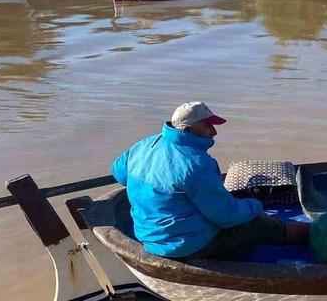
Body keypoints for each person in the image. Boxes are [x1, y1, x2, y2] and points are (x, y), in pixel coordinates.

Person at [111, 101, 307, 259]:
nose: (214, 131)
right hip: (185, 244)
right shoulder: (196, 163)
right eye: (208, 125)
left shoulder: (143, 145)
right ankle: (313, 233)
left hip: (147, 236)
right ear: (187, 129)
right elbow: (227, 217)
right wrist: (255, 206)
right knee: (258, 225)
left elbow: (119, 174)